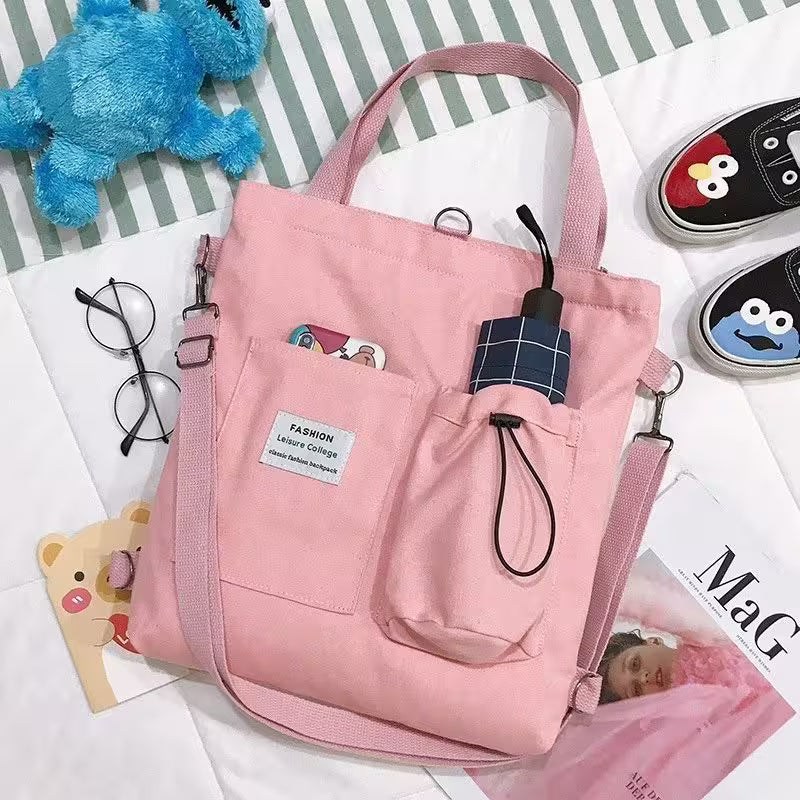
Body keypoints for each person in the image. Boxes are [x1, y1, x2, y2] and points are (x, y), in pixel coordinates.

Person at [598, 628, 772, 708]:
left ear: (653, 641)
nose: (644, 678)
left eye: (635, 664)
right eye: (636, 689)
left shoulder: (700, 633)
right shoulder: (683, 724)